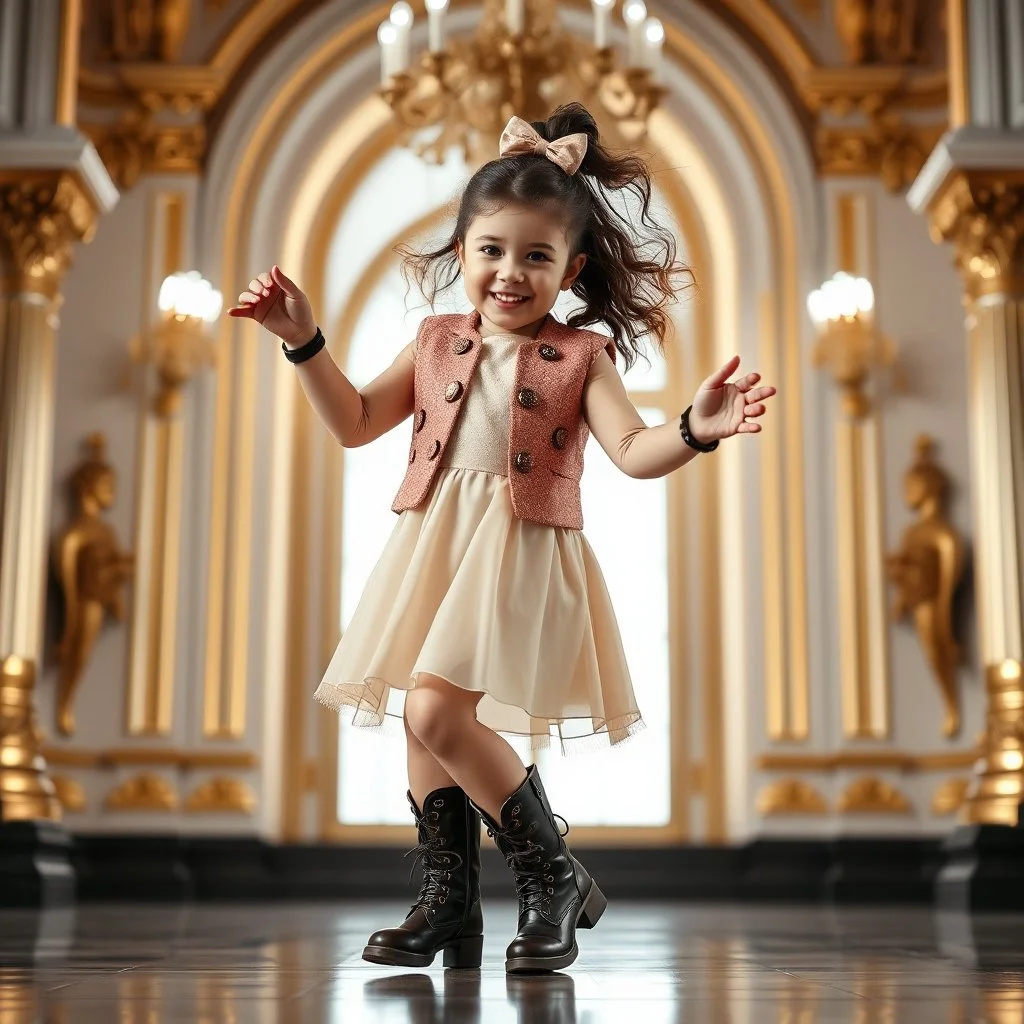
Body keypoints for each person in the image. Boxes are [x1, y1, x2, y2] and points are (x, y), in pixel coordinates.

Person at [229, 102, 776, 974]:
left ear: (571, 268)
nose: (510, 273)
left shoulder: (580, 355)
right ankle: (450, 907)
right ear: (461, 251)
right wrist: (305, 344)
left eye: (536, 256)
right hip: (433, 542)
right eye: (491, 250)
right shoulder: (436, 340)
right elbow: (358, 421)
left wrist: (697, 427)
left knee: (434, 708)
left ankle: (551, 875)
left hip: (520, 550)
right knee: (424, 723)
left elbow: (634, 454)